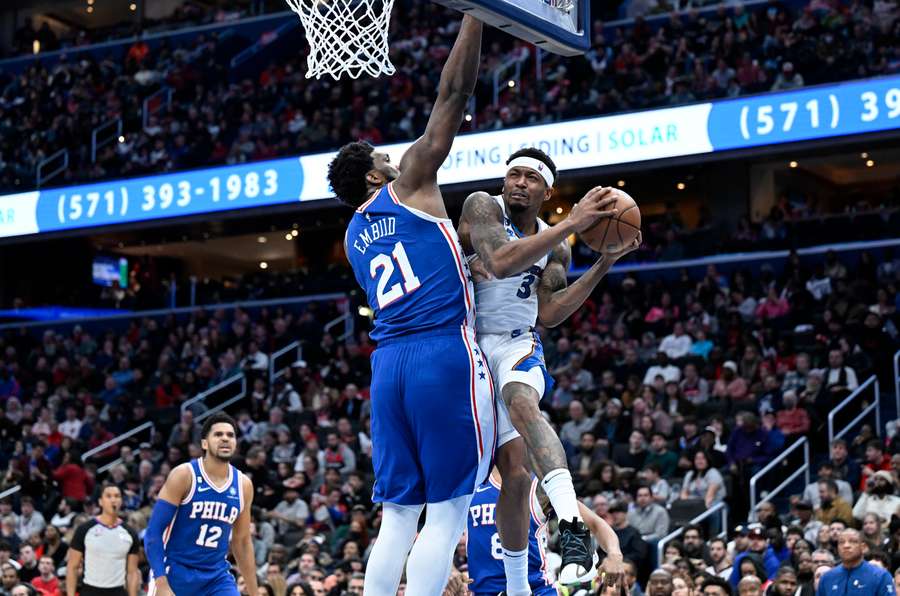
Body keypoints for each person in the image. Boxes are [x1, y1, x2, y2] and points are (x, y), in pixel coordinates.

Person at [333, 15, 495, 595]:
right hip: (440, 353)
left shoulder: (353, 237)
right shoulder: (410, 184)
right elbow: (453, 94)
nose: (393, 157)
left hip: (388, 365)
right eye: (383, 156)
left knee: (398, 515)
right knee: (449, 509)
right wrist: (479, 12)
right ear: (377, 172)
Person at [458, 146, 638, 587]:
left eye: (530, 178)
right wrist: (571, 225)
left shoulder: (555, 247)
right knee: (511, 475)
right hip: (464, 345)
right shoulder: (482, 205)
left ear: (546, 191)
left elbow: (551, 313)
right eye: (514, 175)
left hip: (517, 342)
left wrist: (604, 262)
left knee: (522, 410)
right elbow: (500, 262)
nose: (519, 182)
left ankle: (572, 531)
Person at [143, 413, 257, 596]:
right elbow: (153, 532)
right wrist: (161, 582)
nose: (225, 439)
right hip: (175, 572)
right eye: (218, 435)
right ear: (204, 443)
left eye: (230, 435)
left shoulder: (243, 485)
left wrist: (254, 592)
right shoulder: (184, 475)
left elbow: (242, 541)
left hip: (216, 578)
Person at [466, 467, 624, 595]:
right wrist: (451, 571)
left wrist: (615, 555)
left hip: (537, 588)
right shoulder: (471, 481)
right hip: (484, 591)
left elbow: (596, 524)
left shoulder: (540, 486)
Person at [66, 483, 140, 596]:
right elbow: (72, 567)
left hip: (118, 591)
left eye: (117, 496)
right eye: (108, 496)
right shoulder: (84, 529)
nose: (113, 500)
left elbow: (132, 572)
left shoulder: (130, 533)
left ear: (121, 501)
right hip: (90, 591)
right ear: (100, 501)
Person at [815, 529, 893, 595]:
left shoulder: (880, 576)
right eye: (841, 542)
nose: (846, 546)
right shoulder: (827, 578)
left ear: (863, 547)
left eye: (852, 541)